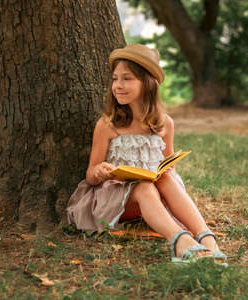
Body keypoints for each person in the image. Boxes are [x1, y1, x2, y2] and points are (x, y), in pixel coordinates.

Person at [66, 44, 226, 263]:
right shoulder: (107, 125)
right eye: (115, 79)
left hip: (152, 200)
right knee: (143, 187)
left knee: (166, 177)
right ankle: (180, 241)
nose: (118, 86)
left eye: (127, 79)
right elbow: (90, 174)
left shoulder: (165, 124)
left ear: (148, 83)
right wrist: (100, 171)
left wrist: (164, 171)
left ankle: (207, 238)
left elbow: (169, 166)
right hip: (114, 200)